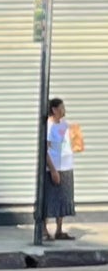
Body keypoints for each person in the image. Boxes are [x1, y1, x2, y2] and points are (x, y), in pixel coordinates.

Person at [45, 98, 76, 242]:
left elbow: (72, 143)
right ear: (54, 109)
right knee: (49, 199)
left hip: (66, 166)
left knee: (63, 200)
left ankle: (59, 230)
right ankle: (44, 230)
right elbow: (45, 150)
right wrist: (52, 170)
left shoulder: (65, 124)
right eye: (62, 108)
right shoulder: (48, 126)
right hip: (54, 168)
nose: (64, 110)